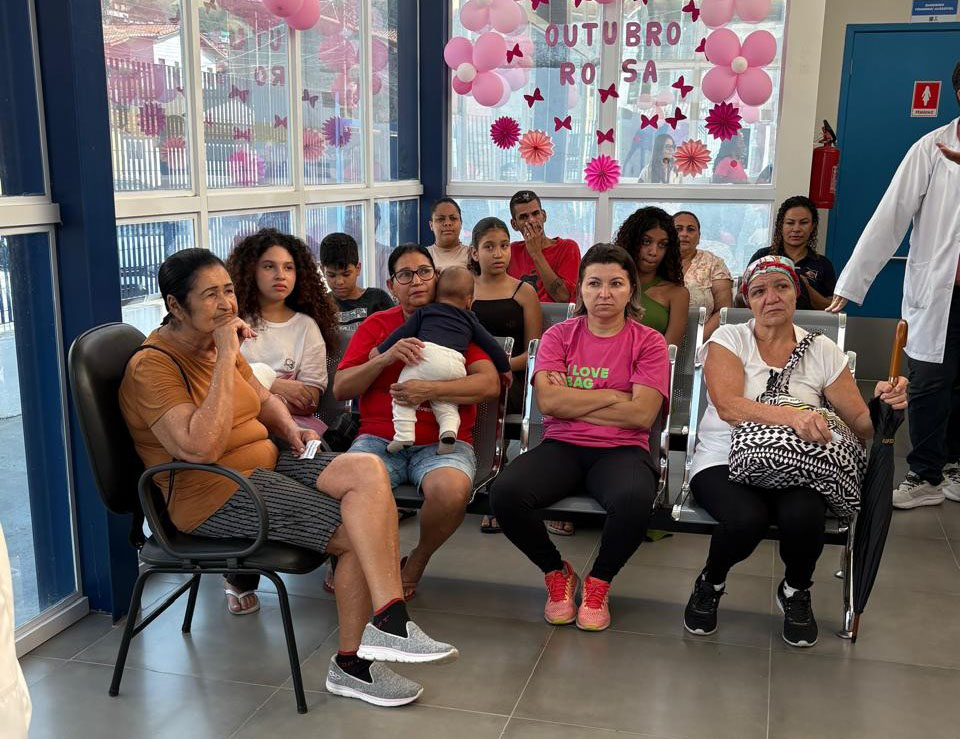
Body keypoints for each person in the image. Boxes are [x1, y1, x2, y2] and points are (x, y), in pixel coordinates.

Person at [119, 249, 458, 707]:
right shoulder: (153, 366)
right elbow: (198, 448)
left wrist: (289, 429)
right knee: (357, 532)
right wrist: (226, 353)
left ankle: (390, 619)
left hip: (265, 463)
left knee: (367, 468)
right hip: (213, 492)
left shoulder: (214, 343)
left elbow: (261, 398)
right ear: (175, 306)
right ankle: (353, 665)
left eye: (228, 291)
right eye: (210, 295)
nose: (226, 304)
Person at [682, 256, 907, 648]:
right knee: (746, 518)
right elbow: (729, 406)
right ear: (748, 300)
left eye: (781, 287)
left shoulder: (821, 350)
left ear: (795, 293)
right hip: (723, 457)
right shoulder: (730, 339)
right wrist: (792, 417)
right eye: (758, 291)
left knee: (804, 515)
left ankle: (795, 589)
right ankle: (711, 582)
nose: (771, 297)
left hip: (800, 463)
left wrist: (883, 405)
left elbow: (861, 424)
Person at [491, 244, 670, 632]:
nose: (604, 293)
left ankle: (599, 581)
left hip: (623, 449)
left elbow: (642, 414)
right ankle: (556, 571)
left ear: (631, 289)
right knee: (505, 493)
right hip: (564, 445)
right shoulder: (559, 336)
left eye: (616, 284)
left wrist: (574, 400)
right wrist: (614, 395)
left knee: (634, 500)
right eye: (594, 283)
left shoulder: (649, 342)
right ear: (580, 289)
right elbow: (549, 403)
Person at [827, 62, 960, 510]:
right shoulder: (931, 148)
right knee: (929, 383)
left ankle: (955, 465)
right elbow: (891, 216)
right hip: (942, 291)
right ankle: (926, 474)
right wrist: (853, 280)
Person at [334, 245, 500, 600]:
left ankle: (417, 560)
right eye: (405, 275)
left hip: (442, 442)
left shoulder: (454, 321)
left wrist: (430, 389)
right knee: (346, 482)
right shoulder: (378, 325)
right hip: (379, 438)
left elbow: (488, 384)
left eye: (425, 271)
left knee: (451, 492)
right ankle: (364, 562)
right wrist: (385, 358)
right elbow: (341, 388)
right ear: (392, 286)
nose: (417, 281)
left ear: (436, 277)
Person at [373, 266, 512, 453]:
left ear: (436, 294)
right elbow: (491, 344)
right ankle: (448, 432)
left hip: (427, 357)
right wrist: (505, 368)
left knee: (403, 391)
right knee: (447, 403)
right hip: (456, 364)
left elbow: (402, 333)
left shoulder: (426, 311)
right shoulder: (470, 319)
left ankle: (404, 434)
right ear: (469, 300)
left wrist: (380, 350)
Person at [468, 216, 543, 533]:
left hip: (513, 380)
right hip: (470, 376)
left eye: (503, 246)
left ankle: (495, 477)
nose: (498, 254)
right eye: (489, 247)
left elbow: (535, 352)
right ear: (474, 253)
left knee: (488, 390)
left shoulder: (524, 292)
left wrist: (499, 367)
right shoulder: (465, 290)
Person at [226, 229, 338, 435]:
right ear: (250, 271)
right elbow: (218, 385)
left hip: (292, 430)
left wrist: (248, 386)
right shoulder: (232, 324)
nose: (280, 275)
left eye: (288, 267)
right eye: (269, 266)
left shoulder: (306, 326)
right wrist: (274, 385)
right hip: (237, 425)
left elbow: (308, 401)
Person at [615, 206, 690, 347]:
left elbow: (669, 352)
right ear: (631, 242)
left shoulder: (677, 294)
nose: (654, 252)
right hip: (602, 359)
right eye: (646, 242)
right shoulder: (608, 286)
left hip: (654, 360)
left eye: (662, 245)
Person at [748, 196, 836, 310]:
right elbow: (740, 299)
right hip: (768, 319)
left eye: (803, 223)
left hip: (809, 321)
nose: (796, 229)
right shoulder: (762, 257)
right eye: (790, 223)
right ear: (781, 225)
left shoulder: (823, 264)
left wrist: (805, 287)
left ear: (812, 226)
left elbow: (832, 307)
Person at [507, 190, 581, 303]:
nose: (531, 220)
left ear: (544, 216)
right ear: (514, 225)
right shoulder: (511, 251)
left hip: (555, 314)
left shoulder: (568, 247)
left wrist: (536, 253)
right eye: (523, 217)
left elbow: (563, 297)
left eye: (535, 214)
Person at [675, 211, 733, 338]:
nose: (684, 234)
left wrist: (696, 341)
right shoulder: (656, 261)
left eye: (690, 229)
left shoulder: (714, 263)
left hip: (704, 338)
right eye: (678, 229)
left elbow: (724, 311)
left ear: (699, 236)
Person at [319, 232, 395, 328]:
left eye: (346, 274)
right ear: (322, 271)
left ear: (358, 269)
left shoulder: (378, 300)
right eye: (332, 275)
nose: (339, 282)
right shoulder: (320, 306)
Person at [426, 197, 470, 271]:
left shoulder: (472, 255)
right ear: (431, 225)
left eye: (453, 218)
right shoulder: (422, 255)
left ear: (461, 223)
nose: (447, 223)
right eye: (441, 219)